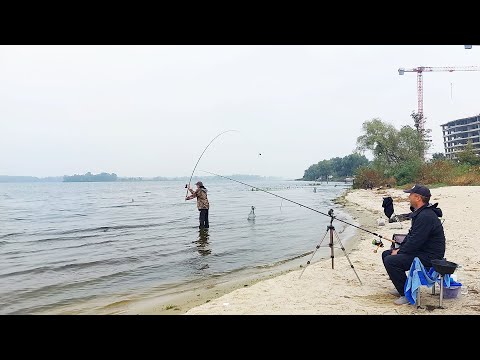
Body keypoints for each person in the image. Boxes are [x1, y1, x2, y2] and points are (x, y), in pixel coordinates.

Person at [381, 184, 446, 305]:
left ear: (418, 198)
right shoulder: (421, 213)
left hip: (430, 257)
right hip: (422, 251)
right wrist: (399, 247)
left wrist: (400, 252)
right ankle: (403, 286)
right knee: (386, 254)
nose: (408, 197)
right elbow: (412, 236)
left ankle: (407, 295)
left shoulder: (426, 216)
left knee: (391, 260)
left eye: (410, 195)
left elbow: (416, 241)